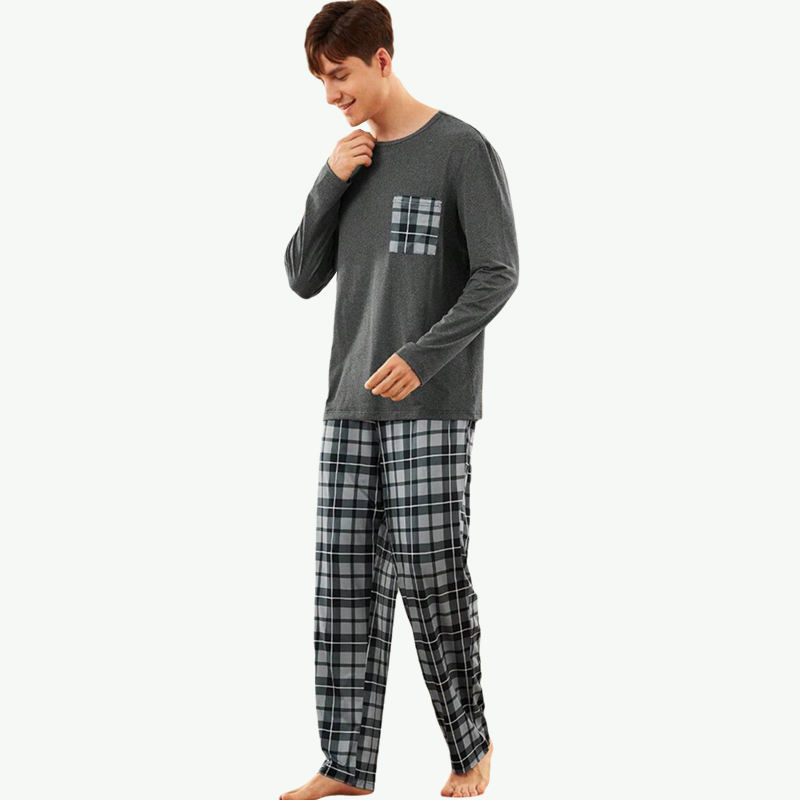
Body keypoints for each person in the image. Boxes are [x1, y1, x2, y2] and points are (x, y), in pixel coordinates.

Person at [280, 1, 519, 797]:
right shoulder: (352, 160)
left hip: (432, 404)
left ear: (382, 59)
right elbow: (301, 276)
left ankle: (470, 746)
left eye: (339, 75)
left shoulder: (462, 150)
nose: (330, 95)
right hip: (348, 405)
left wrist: (421, 358)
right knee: (344, 586)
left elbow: (498, 273)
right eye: (321, 81)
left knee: (431, 573)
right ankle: (345, 765)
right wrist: (330, 179)